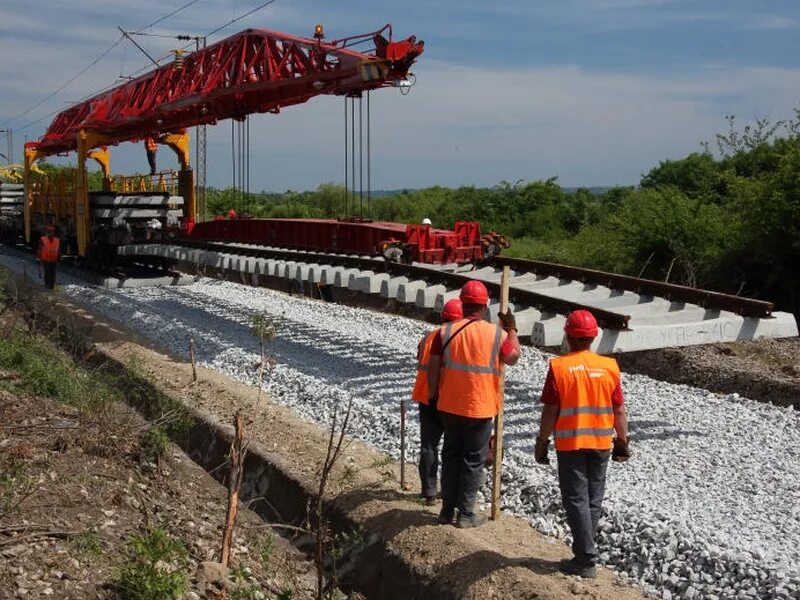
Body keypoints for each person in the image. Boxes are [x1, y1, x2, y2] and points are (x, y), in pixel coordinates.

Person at [534, 309, 630, 578]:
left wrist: (542, 441)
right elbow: (619, 409)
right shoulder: (609, 367)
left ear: (568, 336)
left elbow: (551, 410)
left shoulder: (559, 367)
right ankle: (584, 550)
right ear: (593, 336)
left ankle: (586, 558)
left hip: (572, 443)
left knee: (576, 498)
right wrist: (622, 440)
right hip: (601, 443)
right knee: (593, 498)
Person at [427, 280, 520, 528]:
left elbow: (434, 367)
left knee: (451, 456)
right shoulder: (496, 334)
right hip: (480, 407)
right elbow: (513, 357)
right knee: (473, 460)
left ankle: (446, 510)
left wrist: (433, 396)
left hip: (449, 405)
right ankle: (466, 514)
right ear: (484, 305)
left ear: (463, 303)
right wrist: (511, 330)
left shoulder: (444, 332)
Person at [410, 298, 464, 505]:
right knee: (452, 447)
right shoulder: (459, 338)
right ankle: (451, 491)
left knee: (429, 445)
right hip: (449, 400)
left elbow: (419, 358)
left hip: (426, 398)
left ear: (443, 317)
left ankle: (429, 492)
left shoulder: (428, 337)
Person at [37, 225, 60, 290]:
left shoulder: (57, 240)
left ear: (54, 233)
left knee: (52, 274)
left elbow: (58, 250)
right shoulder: (43, 239)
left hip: (53, 260)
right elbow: (40, 249)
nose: (50, 233)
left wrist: (59, 258)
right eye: (49, 232)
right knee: (47, 273)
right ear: (47, 232)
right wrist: (38, 258)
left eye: (51, 232)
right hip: (46, 259)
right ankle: (47, 286)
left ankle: (51, 287)